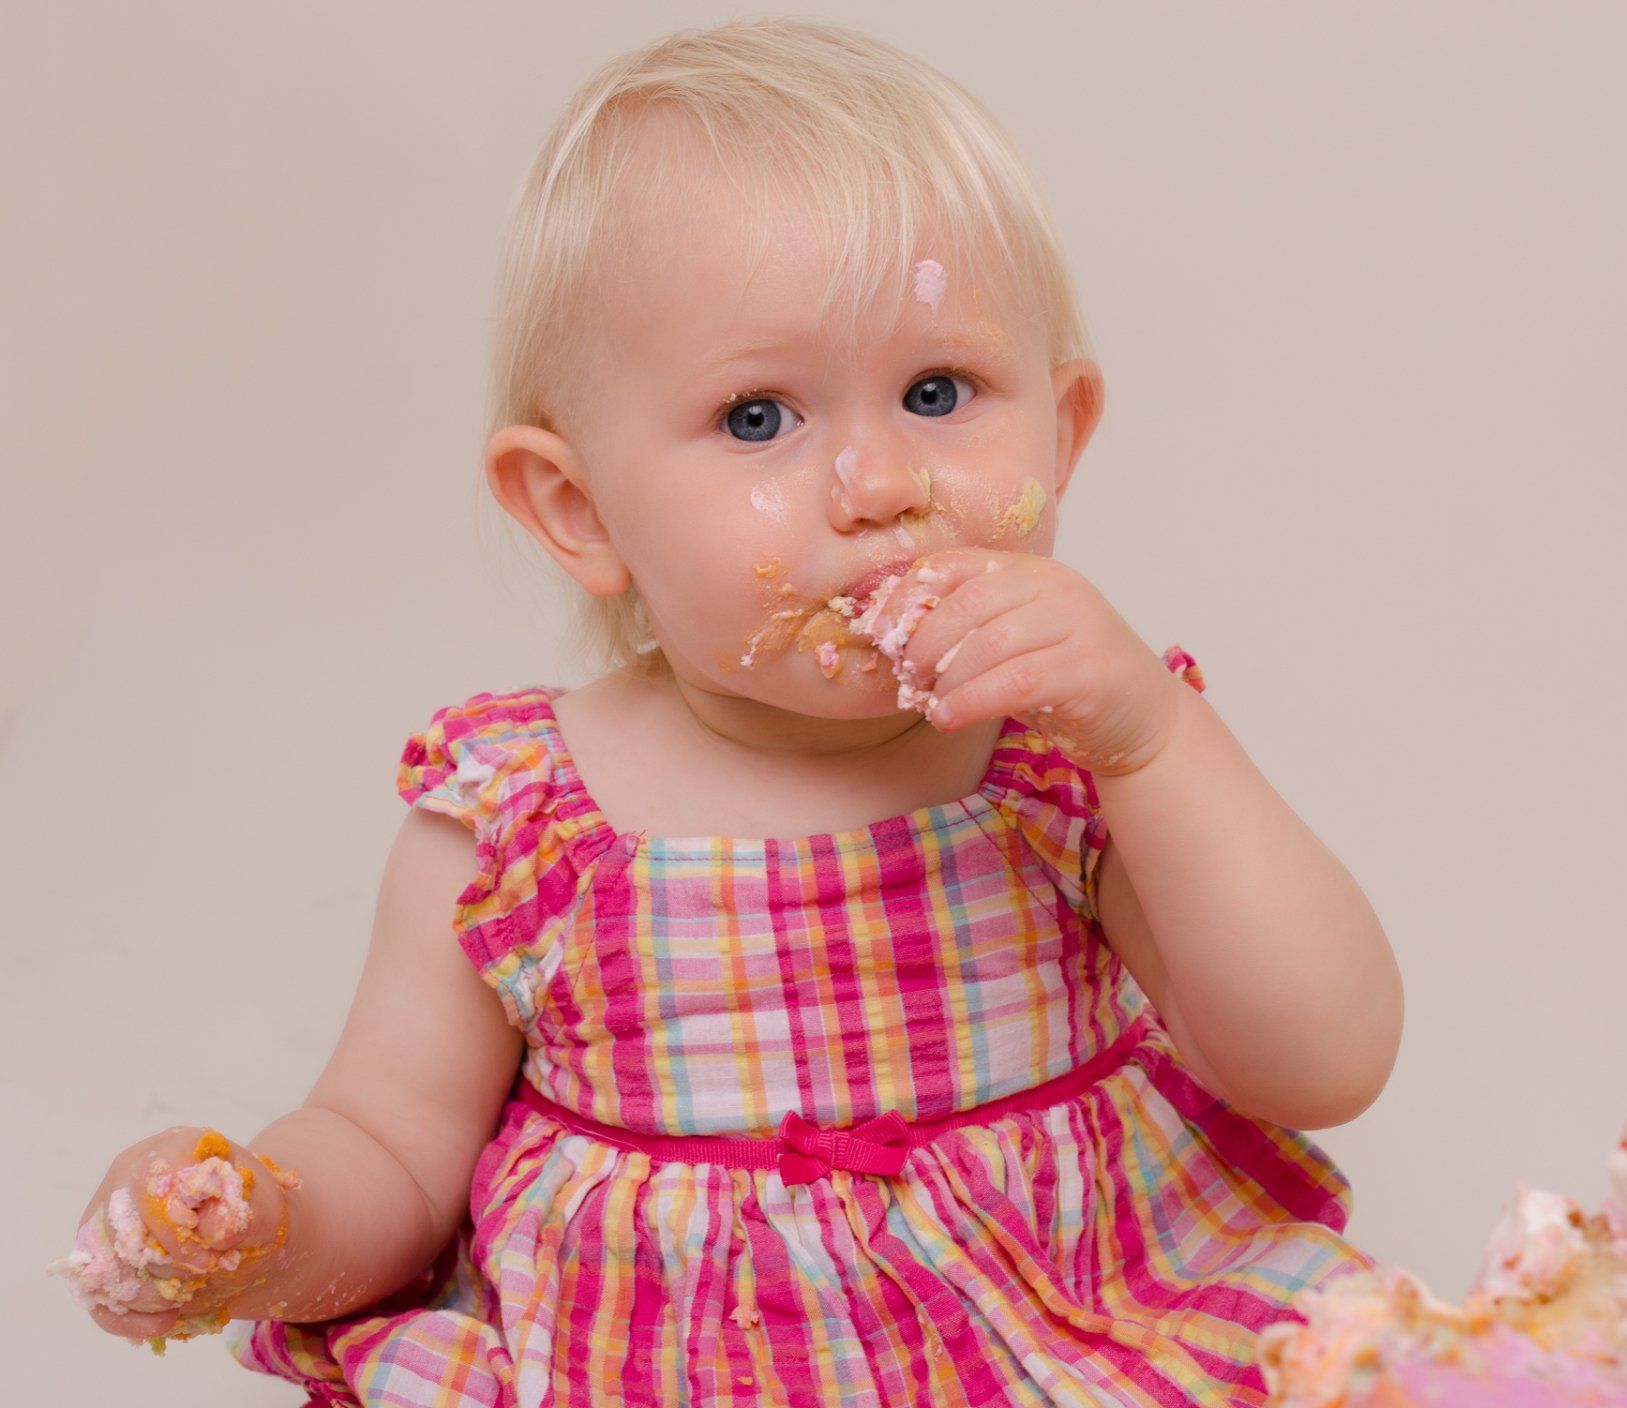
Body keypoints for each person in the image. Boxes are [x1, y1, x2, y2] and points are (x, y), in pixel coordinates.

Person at [66, 18, 1403, 1405]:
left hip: (1062, 1343)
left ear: (1062, 434)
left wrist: (1157, 741)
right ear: (581, 509)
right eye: (760, 417)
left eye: (937, 392)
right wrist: (264, 1228)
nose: (880, 484)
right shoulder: (519, 826)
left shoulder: (1070, 761)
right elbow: (391, 1157)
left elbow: (1321, 1062)